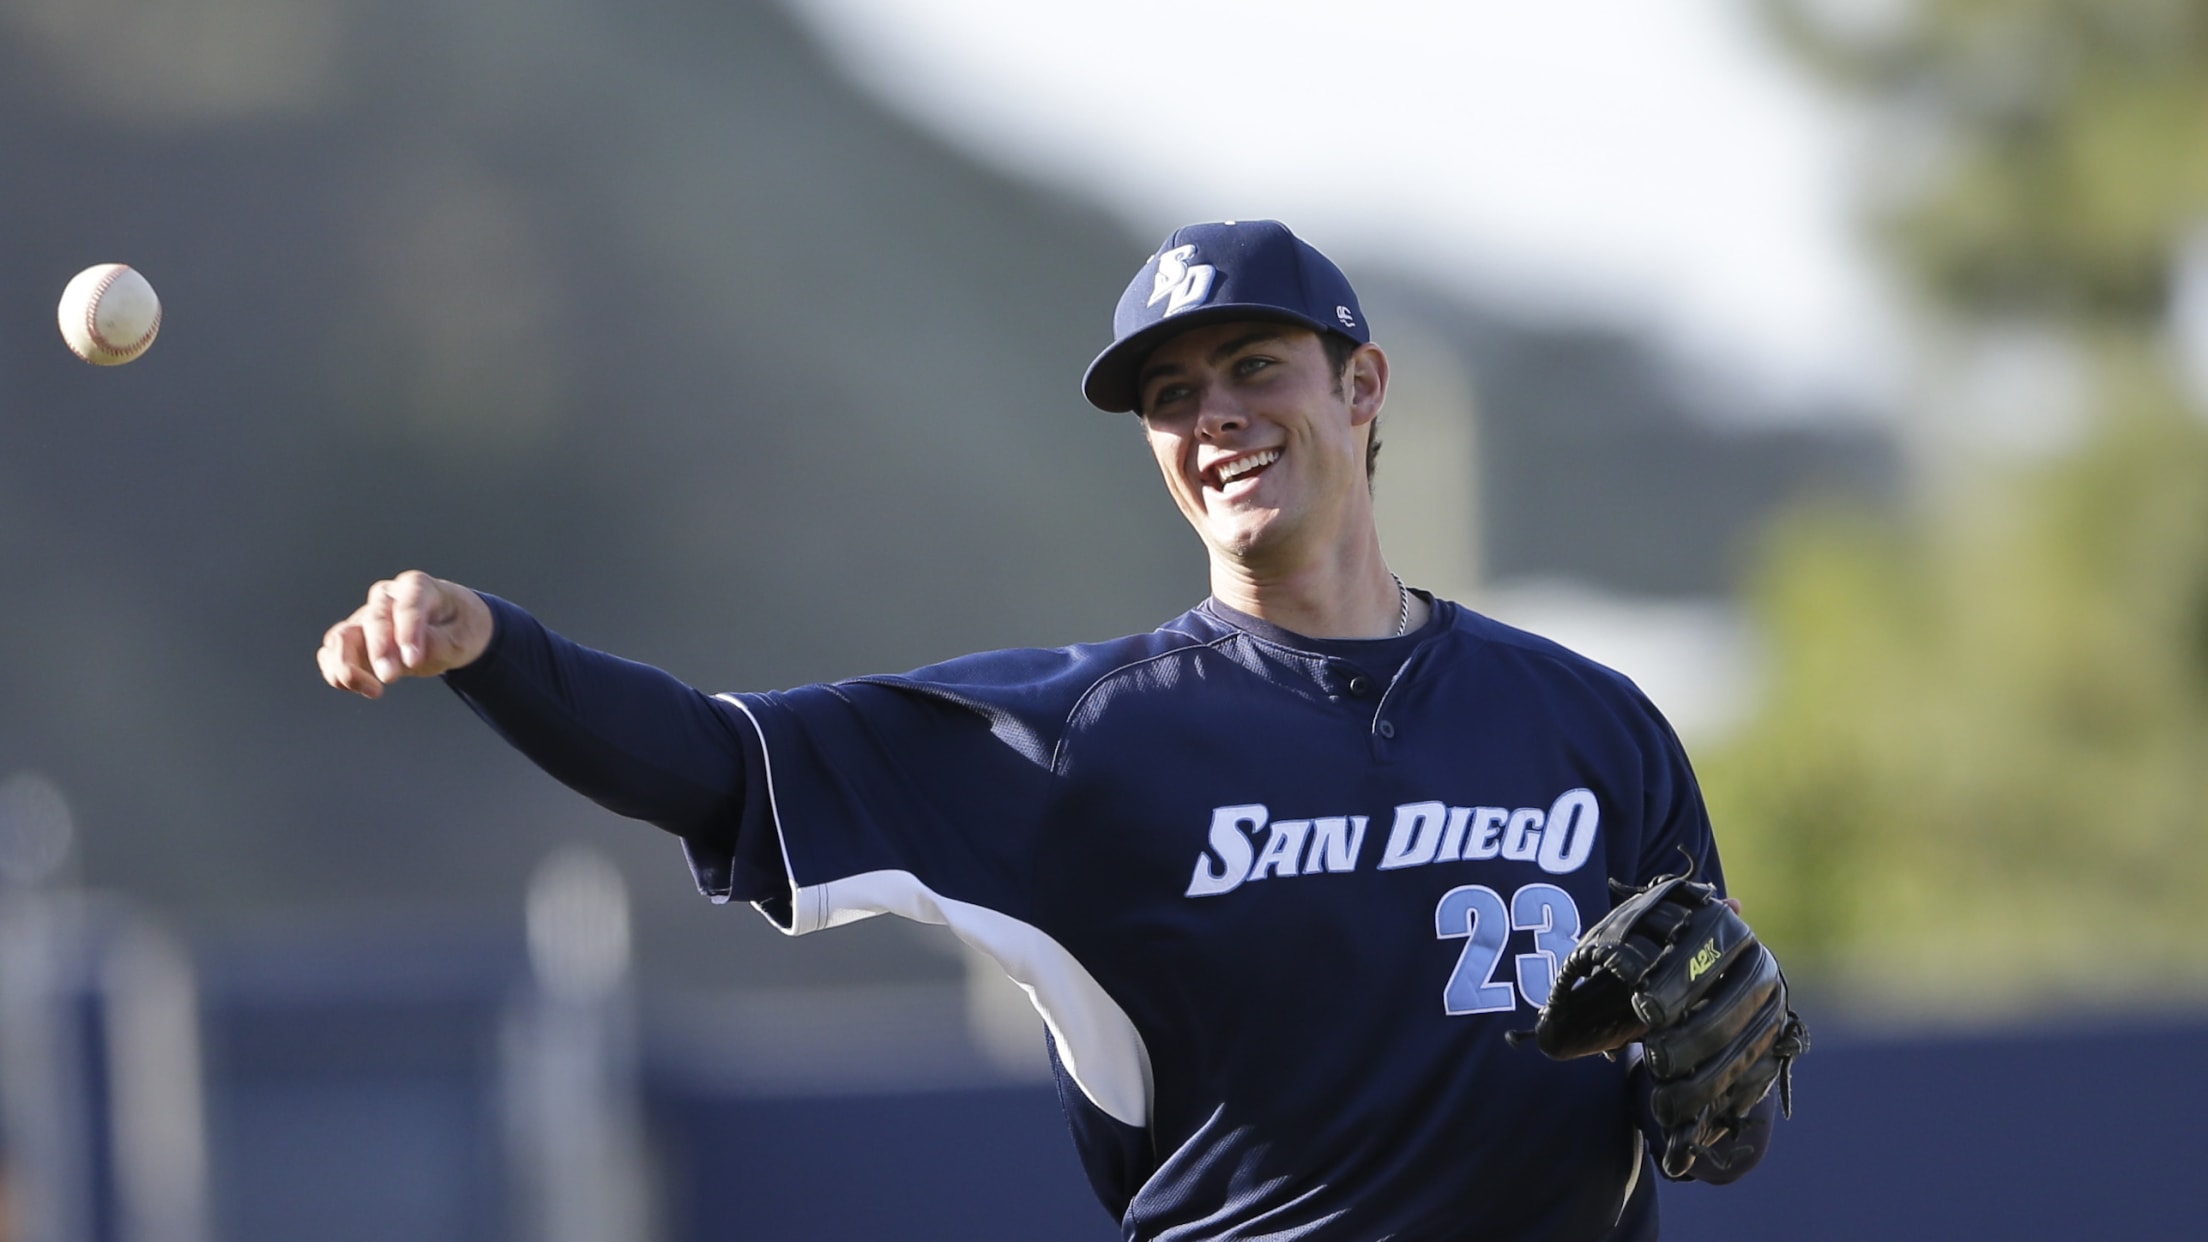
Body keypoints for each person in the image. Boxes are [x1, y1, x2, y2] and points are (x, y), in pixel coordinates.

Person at [318, 220, 1779, 1240]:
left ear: (1362, 382)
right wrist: (494, 647)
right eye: (1169, 395)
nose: (1214, 416)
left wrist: (1726, 1085)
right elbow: (716, 761)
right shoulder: (1085, 740)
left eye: (1254, 365)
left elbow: (1711, 1101)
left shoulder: (1595, 727)